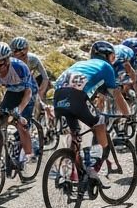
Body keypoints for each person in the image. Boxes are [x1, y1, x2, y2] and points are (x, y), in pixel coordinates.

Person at [52, 41, 131, 182]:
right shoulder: (106, 67)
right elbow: (117, 94)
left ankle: (69, 171)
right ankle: (92, 168)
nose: (112, 61)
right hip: (76, 96)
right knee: (99, 123)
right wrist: (127, 114)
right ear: (106, 56)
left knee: (75, 133)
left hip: (58, 96)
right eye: (112, 57)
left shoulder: (81, 64)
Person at [0, 41, 36, 166]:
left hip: (27, 92)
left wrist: (19, 110)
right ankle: (1, 155)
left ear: (8, 60)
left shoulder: (20, 67)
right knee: (1, 122)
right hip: (12, 92)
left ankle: (28, 155)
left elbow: (28, 93)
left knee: (21, 124)